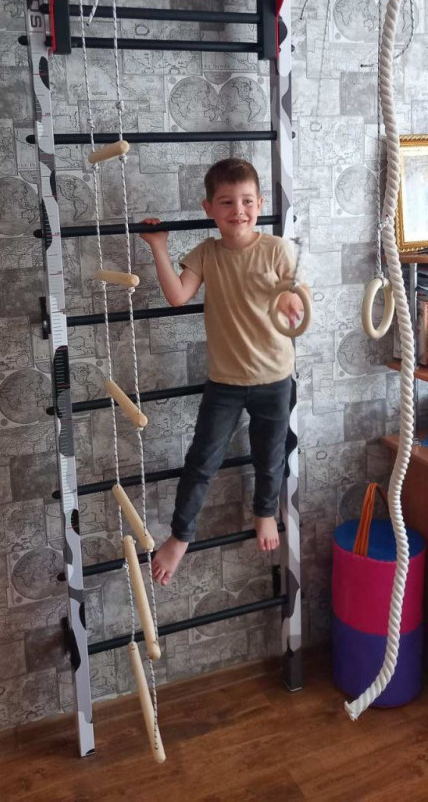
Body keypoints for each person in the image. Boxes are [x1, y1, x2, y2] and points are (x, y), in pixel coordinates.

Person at [139, 158, 305, 586]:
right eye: (227, 202)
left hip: (274, 378)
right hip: (225, 384)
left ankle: (264, 511)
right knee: (201, 461)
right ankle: (180, 535)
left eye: (247, 201)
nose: (239, 210)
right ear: (209, 208)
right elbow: (178, 295)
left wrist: (294, 302)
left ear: (260, 204)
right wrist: (158, 246)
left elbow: (297, 296)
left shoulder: (277, 249)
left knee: (270, 456)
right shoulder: (207, 254)